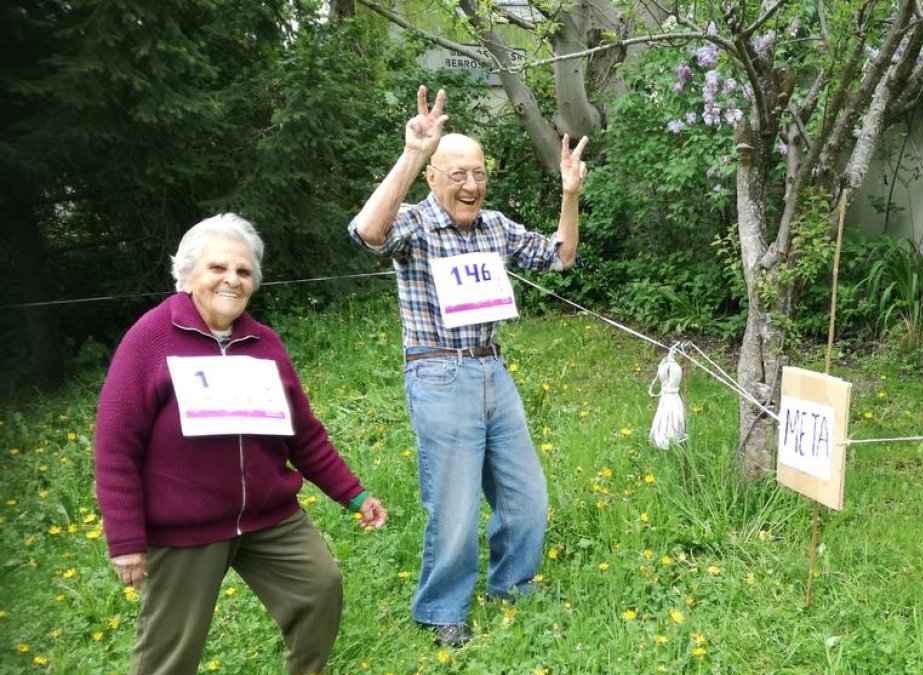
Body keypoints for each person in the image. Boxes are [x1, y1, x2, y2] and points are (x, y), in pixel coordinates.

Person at [94, 213, 387, 675]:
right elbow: (115, 446)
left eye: (244, 271)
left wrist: (354, 495)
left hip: (270, 518)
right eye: (217, 268)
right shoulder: (149, 339)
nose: (231, 279)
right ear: (187, 275)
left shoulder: (264, 344)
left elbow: (303, 434)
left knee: (320, 588)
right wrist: (125, 538)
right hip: (186, 527)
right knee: (169, 654)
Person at [348, 86, 588, 647]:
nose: (471, 185)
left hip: (491, 373)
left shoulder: (494, 227)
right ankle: (442, 610)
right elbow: (367, 233)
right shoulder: (413, 223)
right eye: (456, 174)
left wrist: (569, 195)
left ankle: (514, 587)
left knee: (526, 497)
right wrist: (413, 151)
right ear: (433, 178)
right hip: (437, 373)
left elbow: (560, 256)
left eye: (478, 173)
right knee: (453, 505)